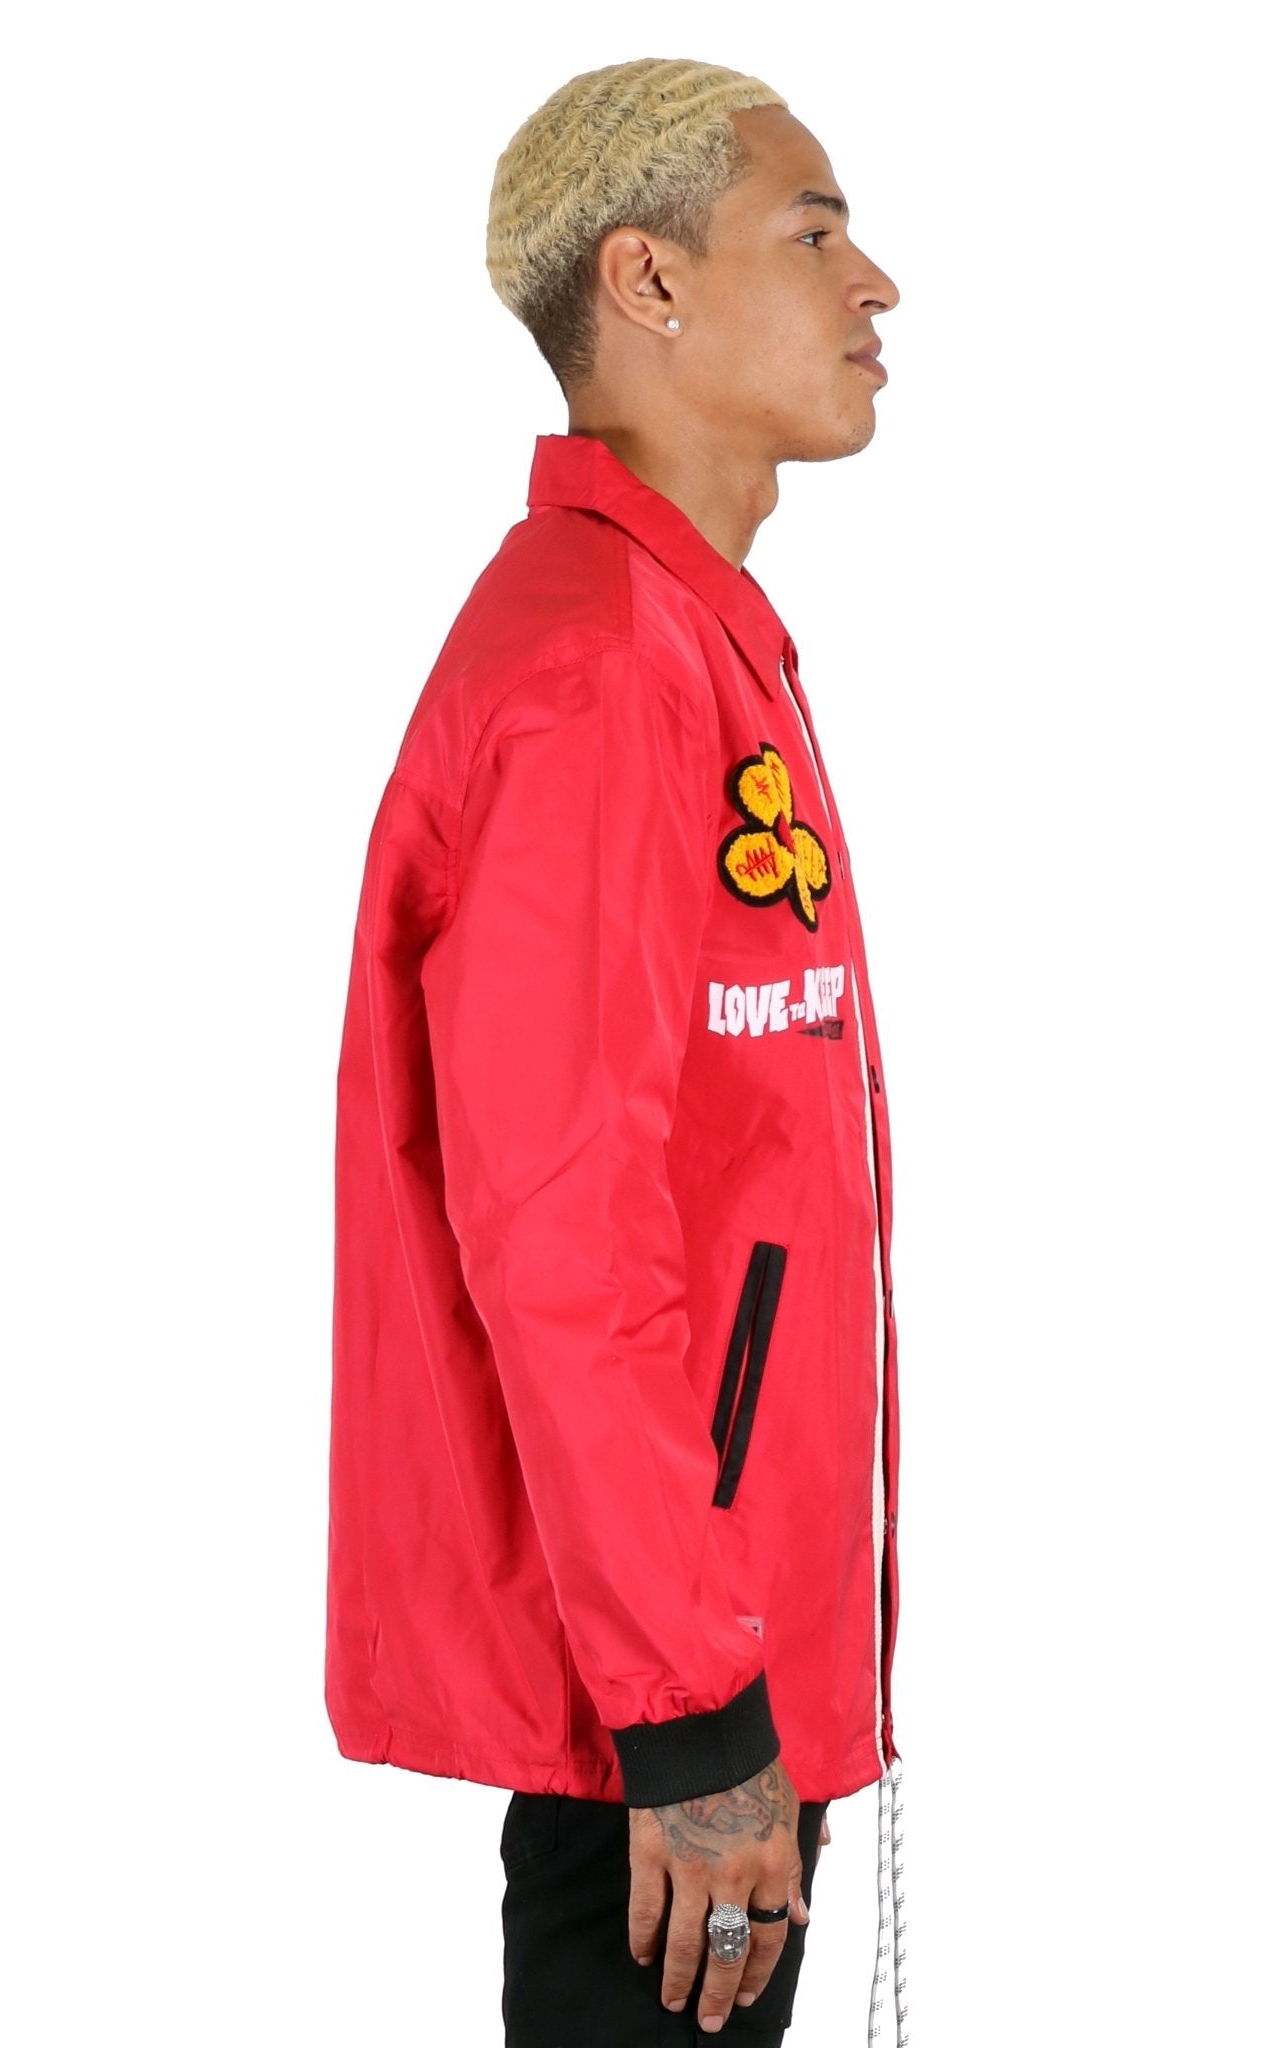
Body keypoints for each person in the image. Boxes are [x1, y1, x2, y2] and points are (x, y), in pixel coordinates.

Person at [325, 56, 907, 2045]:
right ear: (646, 283)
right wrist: (692, 1714)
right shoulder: (595, 674)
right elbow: (559, 1232)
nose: (875, 285)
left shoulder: (683, 640)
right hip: (667, 1703)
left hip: (712, 1649)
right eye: (813, 234)